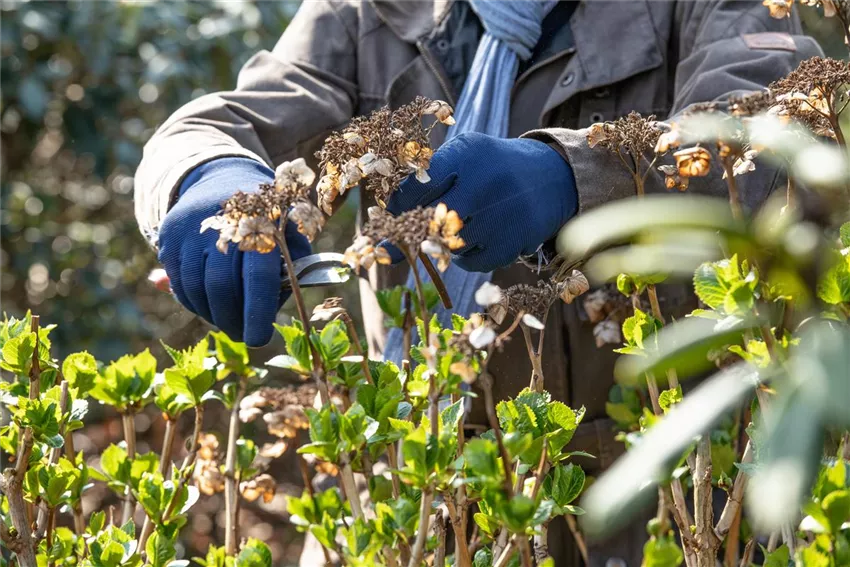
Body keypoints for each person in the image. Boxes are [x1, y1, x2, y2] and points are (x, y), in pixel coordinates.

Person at [135, 1, 822, 565]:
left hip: (661, 509)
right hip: (411, 498)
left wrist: (573, 176)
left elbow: (781, 135)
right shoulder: (370, 13)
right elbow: (218, 123)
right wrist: (208, 176)